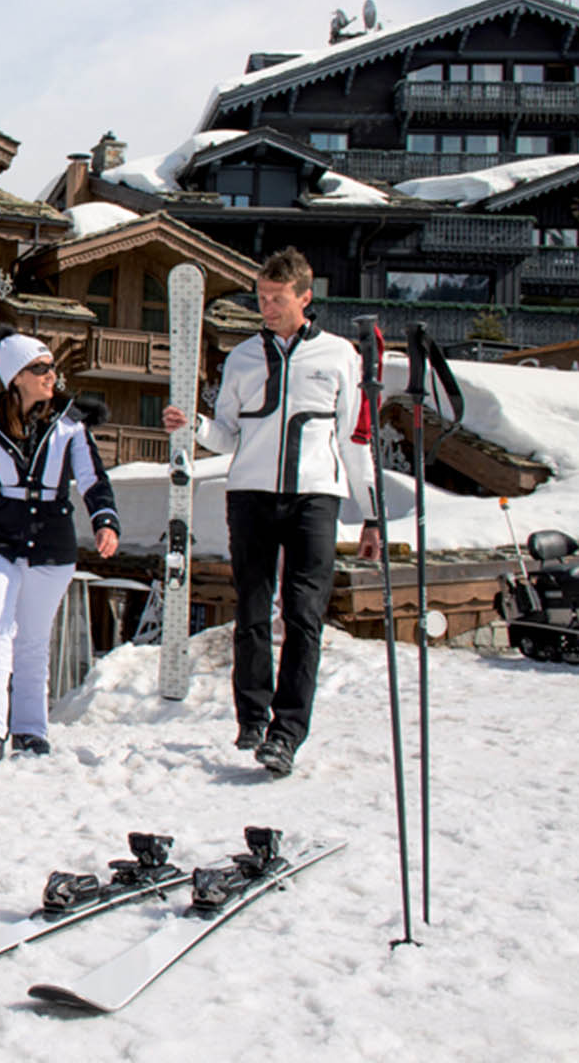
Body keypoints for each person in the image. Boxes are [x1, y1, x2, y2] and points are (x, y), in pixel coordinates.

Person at [162, 247, 381, 778]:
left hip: (314, 498)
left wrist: (371, 515)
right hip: (252, 494)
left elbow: (357, 440)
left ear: (305, 297)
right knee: (252, 612)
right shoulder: (242, 358)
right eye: (261, 298)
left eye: (277, 299)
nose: (267, 308)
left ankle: (288, 731)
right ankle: (252, 718)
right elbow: (227, 437)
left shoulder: (339, 357)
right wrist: (191, 425)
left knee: (304, 616)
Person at [0, 327, 120, 767]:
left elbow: (93, 478)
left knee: (35, 639)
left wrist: (105, 522)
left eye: (52, 368)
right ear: (16, 377)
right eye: (40, 368)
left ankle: (30, 728)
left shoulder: (70, 421)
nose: (51, 376)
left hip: (51, 539)